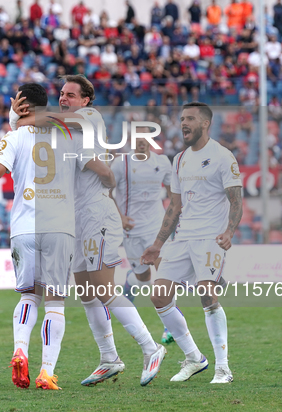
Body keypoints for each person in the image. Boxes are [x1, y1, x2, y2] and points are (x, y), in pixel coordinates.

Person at [0, 83, 115, 391]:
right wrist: (109, 180)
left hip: (24, 226)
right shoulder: (69, 134)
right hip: (60, 226)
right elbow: (98, 168)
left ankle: (20, 349)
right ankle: (46, 372)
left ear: (20, 105)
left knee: (29, 295)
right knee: (55, 301)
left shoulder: (12, 137)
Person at [13, 75, 166, 387]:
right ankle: (109, 357)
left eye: (71, 94)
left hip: (96, 214)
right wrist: (21, 118)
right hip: (74, 220)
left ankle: (152, 348)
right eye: (61, 94)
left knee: (103, 288)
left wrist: (22, 116)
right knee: (86, 294)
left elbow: (97, 167)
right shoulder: (64, 130)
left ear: (86, 100)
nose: (64, 98)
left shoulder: (89, 117)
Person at [142, 102, 243, 384]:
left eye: (190, 119)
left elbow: (236, 201)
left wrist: (229, 232)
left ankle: (223, 368)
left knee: (207, 295)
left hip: (210, 238)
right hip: (182, 237)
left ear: (205, 124)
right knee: (159, 295)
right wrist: (158, 244)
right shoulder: (180, 159)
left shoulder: (223, 157)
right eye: (182, 118)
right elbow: (174, 207)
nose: (183, 123)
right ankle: (194, 358)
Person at [110, 128, 174, 344]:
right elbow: (107, 191)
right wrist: (120, 218)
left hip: (157, 227)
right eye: (137, 138)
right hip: (132, 230)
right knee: (143, 277)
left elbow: (175, 190)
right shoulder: (121, 164)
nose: (141, 142)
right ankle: (130, 281)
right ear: (131, 140)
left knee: (164, 273)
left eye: (146, 138)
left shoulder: (163, 162)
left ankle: (170, 327)